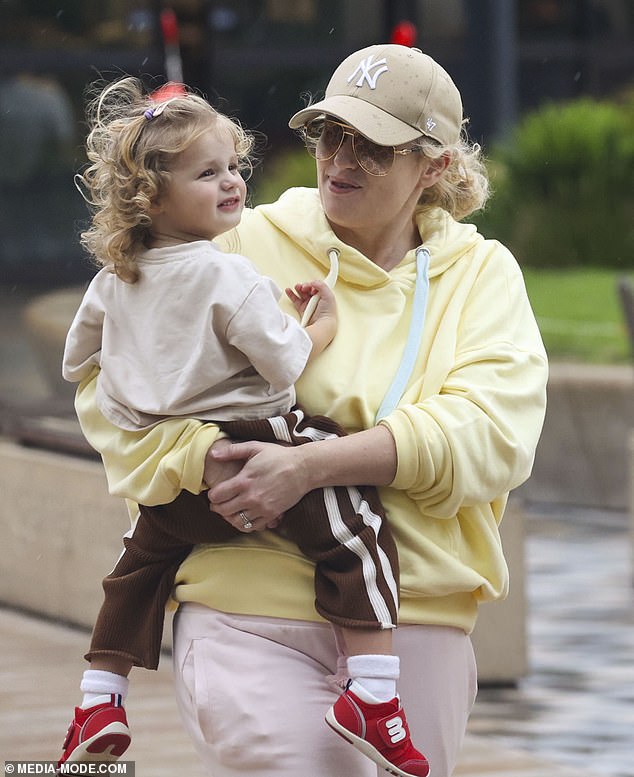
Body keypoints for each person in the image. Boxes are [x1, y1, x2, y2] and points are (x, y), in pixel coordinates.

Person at [66, 44, 548, 777]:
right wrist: (202, 458)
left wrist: (309, 466)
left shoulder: (482, 275)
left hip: (418, 615)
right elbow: (109, 380)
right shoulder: (229, 239)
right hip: (244, 606)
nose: (340, 159)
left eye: (373, 146)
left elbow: (493, 436)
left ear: (436, 165)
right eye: (330, 134)